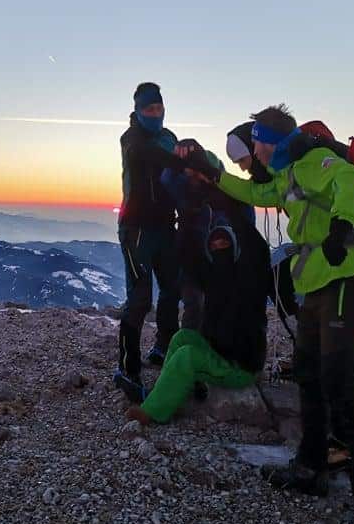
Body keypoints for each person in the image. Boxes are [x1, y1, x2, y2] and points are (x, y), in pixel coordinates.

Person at [187, 105, 354, 524]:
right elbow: (255, 194)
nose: (255, 152)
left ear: (270, 142)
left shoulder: (313, 161)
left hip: (346, 278)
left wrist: (340, 227)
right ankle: (311, 466)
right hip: (319, 281)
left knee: (339, 382)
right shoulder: (287, 174)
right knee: (308, 373)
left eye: (257, 143)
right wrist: (214, 173)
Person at [125, 211, 270, 425]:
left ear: (235, 248)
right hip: (221, 354)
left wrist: (234, 212)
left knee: (187, 356)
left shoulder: (245, 280)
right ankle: (164, 392)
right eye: (214, 246)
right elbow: (190, 258)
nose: (219, 249)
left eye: (225, 244)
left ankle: (152, 412)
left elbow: (258, 251)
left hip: (240, 366)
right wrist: (188, 221)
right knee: (182, 337)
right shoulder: (214, 277)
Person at [114, 82, 188, 403]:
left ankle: (164, 346)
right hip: (137, 231)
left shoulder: (169, 137)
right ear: (138, 111)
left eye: (159, 108)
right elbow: (143, 155)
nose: (155, 114)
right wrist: (180, 159)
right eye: (149, 109)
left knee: (172, 288)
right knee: (140, 298)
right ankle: (127, 368)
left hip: (165, 227)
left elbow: (177, 169)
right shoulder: (131, 138)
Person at [160, 139, 253, 332]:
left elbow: (247, 222)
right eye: (190, 173)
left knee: (220, 306)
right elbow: (167, 180)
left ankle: (217, 343)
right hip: (191, 258)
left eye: (198, 173)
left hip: (223, 259)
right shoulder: (186, 189)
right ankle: (190, 343)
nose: (194, 178)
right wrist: (178, 158)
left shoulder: (230, 194)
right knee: (194, 304)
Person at [225, 121, 300, 325]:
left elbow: (254, 193)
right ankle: (301, 331)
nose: (243, 168)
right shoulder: (281, 176)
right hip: (322, 247)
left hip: (330, 249)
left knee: (278, 281)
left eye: (243, 160)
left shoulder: (293, 173)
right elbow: (253, 193)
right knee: (277, 280)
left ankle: (302, 332)